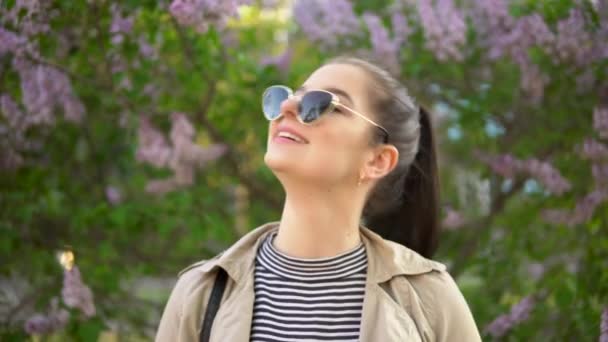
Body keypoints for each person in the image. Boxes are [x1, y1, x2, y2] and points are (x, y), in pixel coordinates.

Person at [155, 56, 482, 341]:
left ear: (377, 160)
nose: (287, 108)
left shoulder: (429, 300)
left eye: (321, 104)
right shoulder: (201, 294)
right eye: (287, 97)